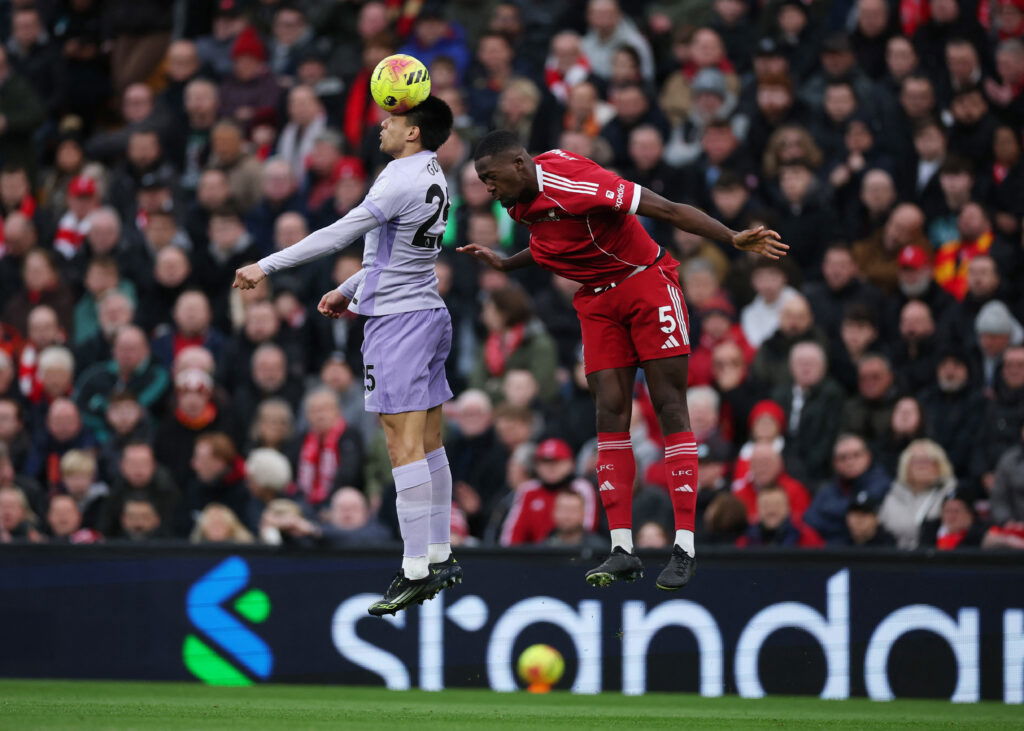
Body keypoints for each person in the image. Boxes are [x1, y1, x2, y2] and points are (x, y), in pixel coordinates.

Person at [462, 130, 786, 590]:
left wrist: (732, 237)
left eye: (490, 177)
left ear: (519, 164)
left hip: (646, 283)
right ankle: (621, 549)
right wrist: (504, 263)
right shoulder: (516, 201)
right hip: (596, 302)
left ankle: (685, 547)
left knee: (668, 402)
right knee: (609, 410)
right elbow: (554, 241)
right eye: (480, 180)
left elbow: (668, 210)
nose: (486, 188)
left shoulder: (577, 182)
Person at [233, 97, 460, 617]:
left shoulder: (397, 178)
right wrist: (349, 287)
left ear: (413, 132)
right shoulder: (433, 175)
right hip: (426, 311)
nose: (383, 122)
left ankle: (415, 569)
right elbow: (394, 256)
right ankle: (441, 554)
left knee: (400, 446)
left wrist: (266, 266)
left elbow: (341, 231)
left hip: (398, 324)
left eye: (394, 118)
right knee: (428, 443)